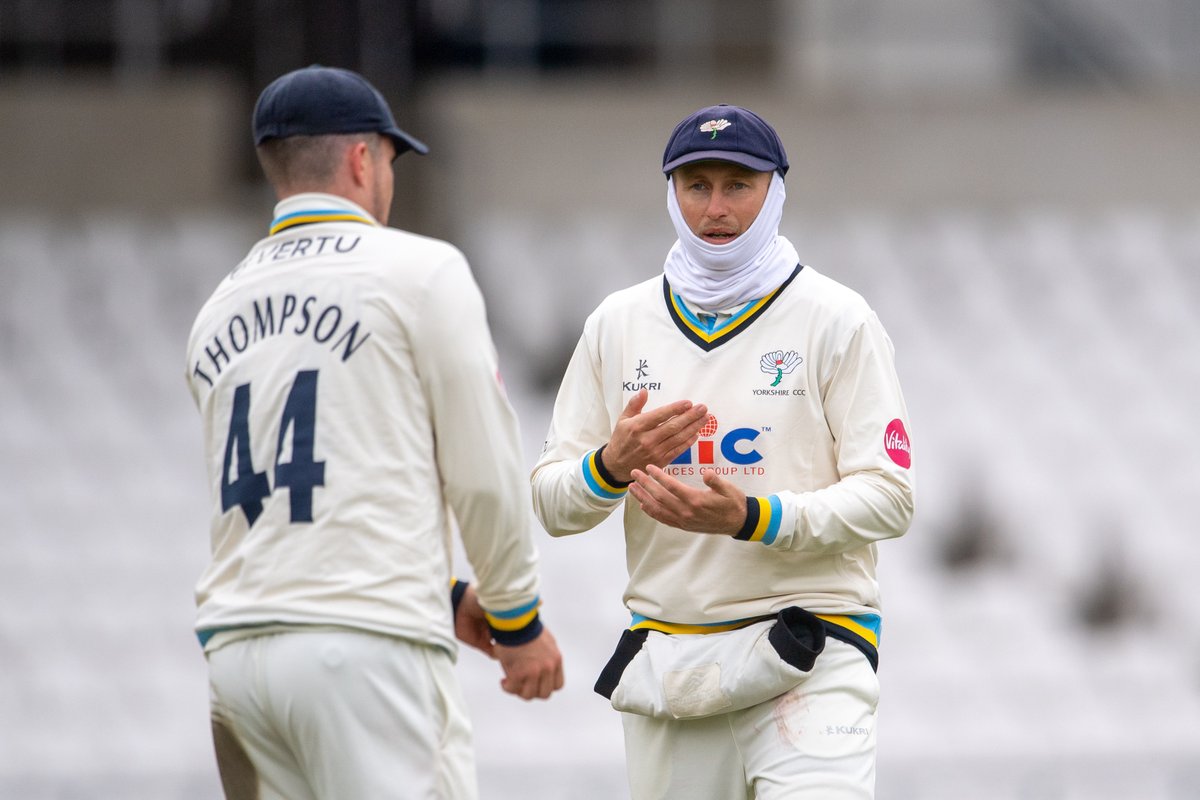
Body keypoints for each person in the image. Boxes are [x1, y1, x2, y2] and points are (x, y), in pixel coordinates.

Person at [184, 65, 563, 800]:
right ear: (363, 159)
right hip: (363, 648)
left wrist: (447, 592)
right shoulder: (420, 271)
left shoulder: (217, 310)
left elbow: (291, 490)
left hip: (237, 654)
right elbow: (482, 469)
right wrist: (517, 621)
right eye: (390, 159)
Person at [531, 103, 914, 799]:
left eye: (738, 184)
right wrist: (607, 467)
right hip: (672, 663)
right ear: (671, 193)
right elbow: (554, 504)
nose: (716, 207)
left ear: (776, 191)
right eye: (695, 184)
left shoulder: (838, 319)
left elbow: (891, 498)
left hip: (812, 649)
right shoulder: (618, 324)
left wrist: (754, 517)